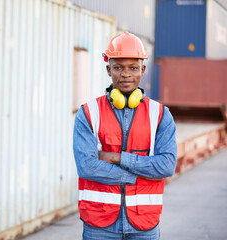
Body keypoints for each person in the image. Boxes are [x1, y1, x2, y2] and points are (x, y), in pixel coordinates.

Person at [73, 32, 177, 240]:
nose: (126, 74)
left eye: (133, 67)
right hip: (99, 224)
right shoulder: (88, 113)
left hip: (144, 225)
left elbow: (167, 166)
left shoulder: (160, 115)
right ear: (108, 69)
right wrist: (137, 176)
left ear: (143, 70)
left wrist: (117, 158)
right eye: (118, 67)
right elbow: (87, 166)